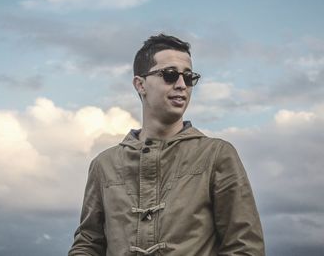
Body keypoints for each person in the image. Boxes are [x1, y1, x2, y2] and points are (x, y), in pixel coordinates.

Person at [68, 34, 265, 255]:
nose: (181, 85)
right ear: (140, 84)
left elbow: (245, 247)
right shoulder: (104, 165)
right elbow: (88, 243)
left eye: (189, 77)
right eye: (170, 75)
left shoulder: (217, 155)